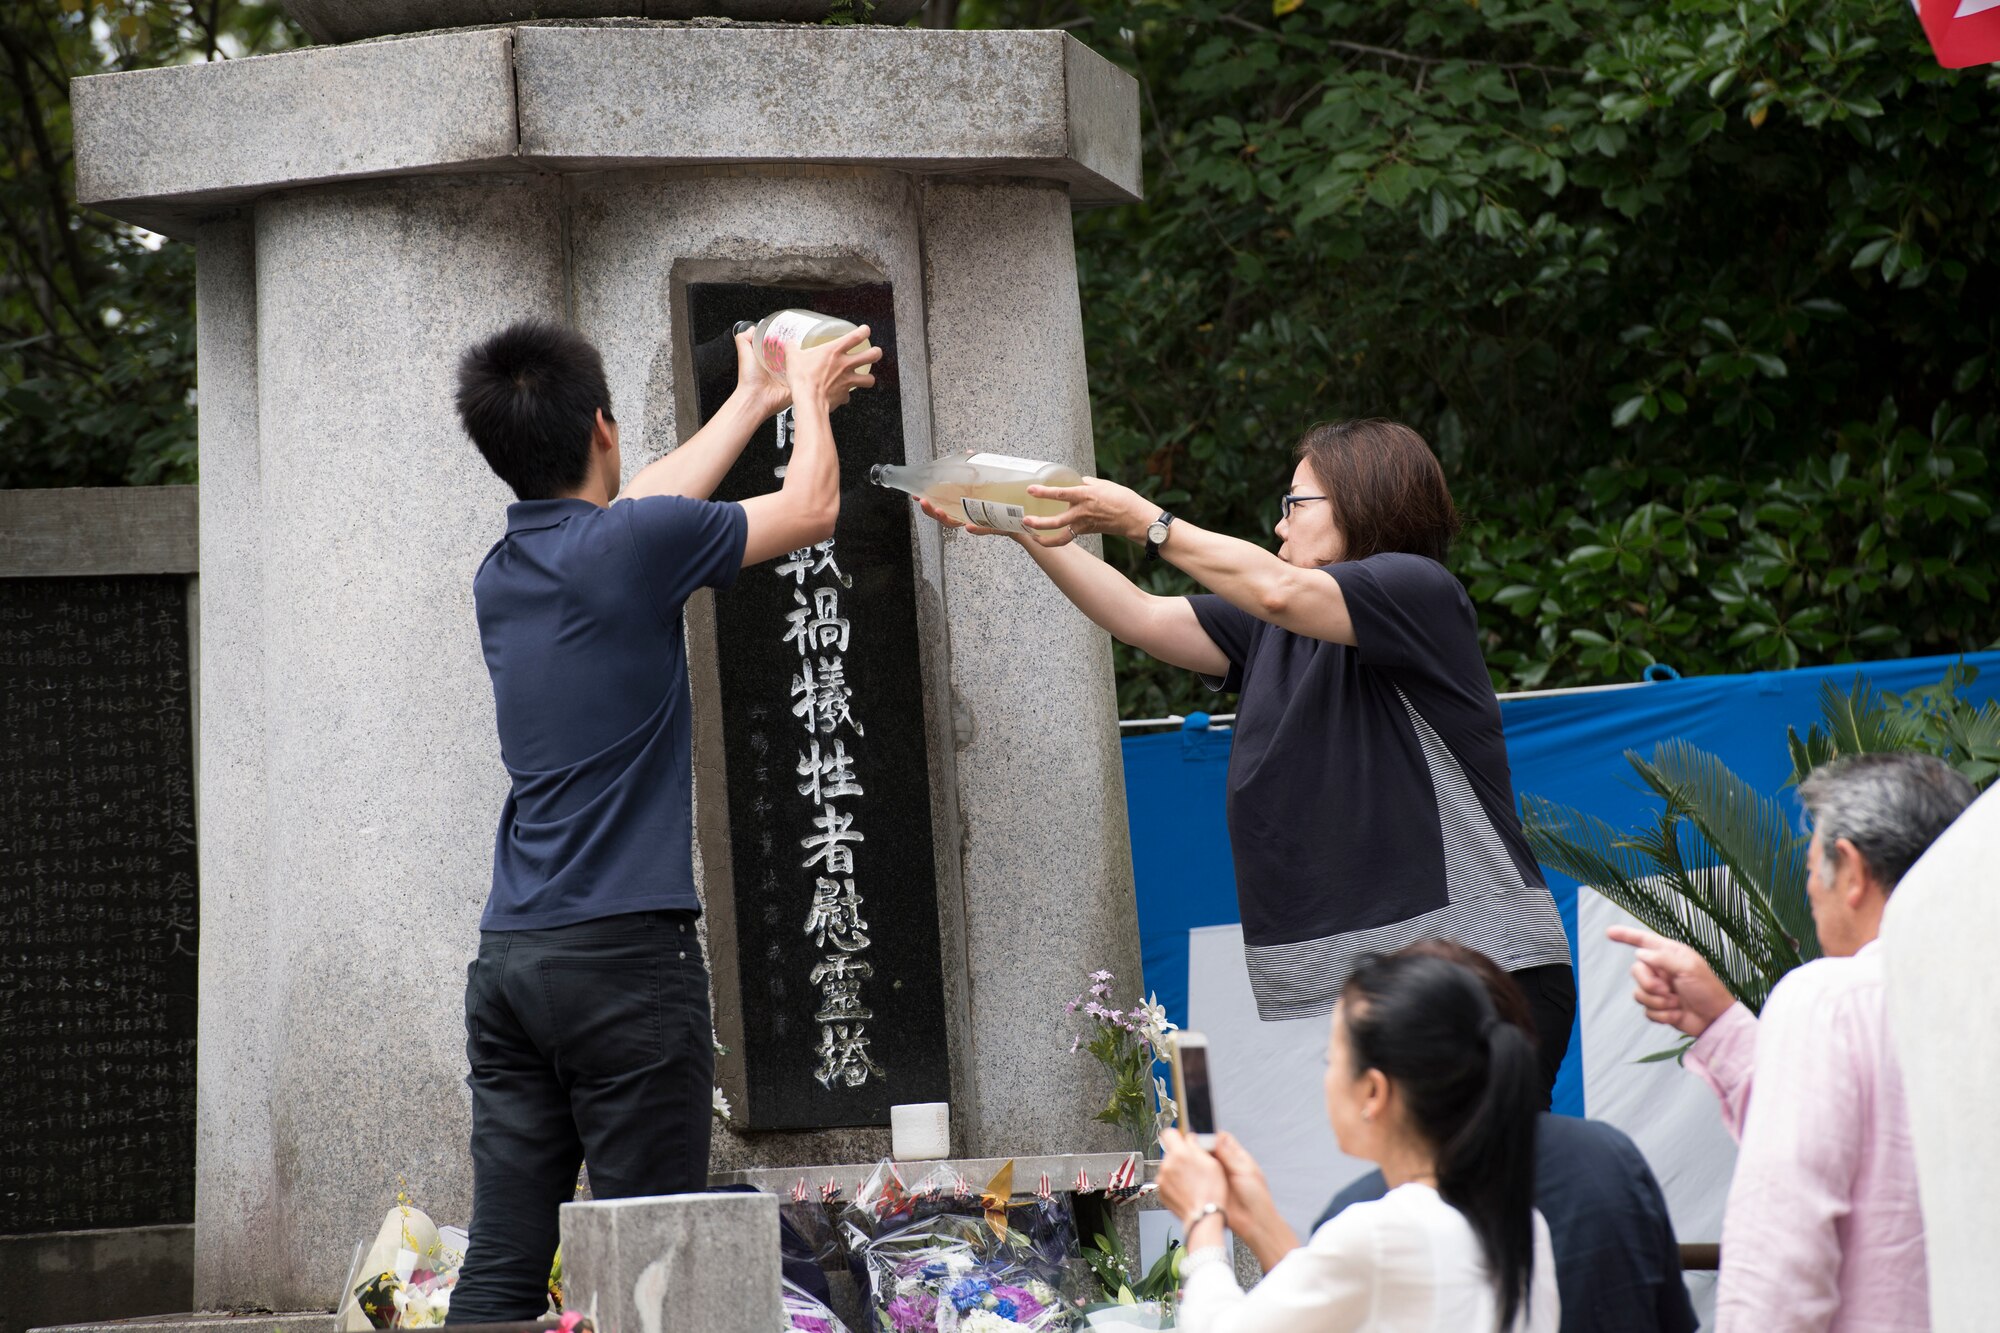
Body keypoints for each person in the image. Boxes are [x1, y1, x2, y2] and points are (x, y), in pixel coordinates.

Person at [917, 420, 1575, 1100]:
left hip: (1492, 970)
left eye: (1296, 503)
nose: (1281, 525)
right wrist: (1023, 525)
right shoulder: (1277, 625)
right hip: (1402, 988)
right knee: (1431, 1196)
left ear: (1363, 498)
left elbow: (1276, 590)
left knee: (1469, 1194)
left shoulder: (1417, 590)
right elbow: (1142, 615)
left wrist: (1148, 520)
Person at [445, 317, 879, 1319]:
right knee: (657, 1268)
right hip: (624, 965)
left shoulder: (503, 574)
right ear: (604, 425)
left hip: (512, 958)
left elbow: (634, 506)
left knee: (501, 1276)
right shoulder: (631, 545)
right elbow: (810, 508)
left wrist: (746, 400)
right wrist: (806, 394)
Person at [1607, 751, 1976, 1333]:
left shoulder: (1829, 1000)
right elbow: (1880, 1135)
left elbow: (1779, 1252)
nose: (1809, 889)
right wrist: (1724, 1025)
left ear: (1851, 870)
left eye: (1810, 867)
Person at [1157, 951, 1559, 1332]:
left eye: (1331, 1062)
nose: (1326, 1079)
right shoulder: (1523, 1222)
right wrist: (1261, 1223)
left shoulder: (1382, 1233)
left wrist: (1202, 1216)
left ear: (1373, 1092)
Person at [1317, 940, 1697, 1333]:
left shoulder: (1362, 1213)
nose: (1328, 1080)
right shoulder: (1607, 1157)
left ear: (1380, 1086)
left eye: (1332, 1062)